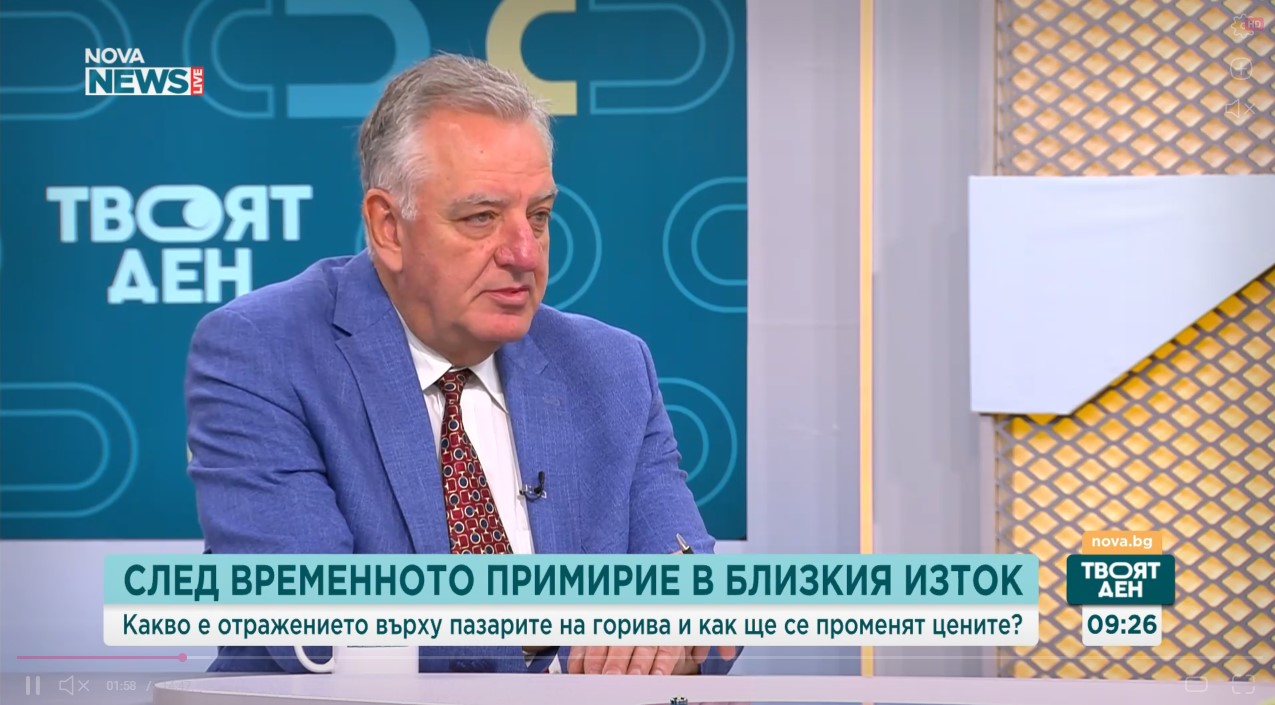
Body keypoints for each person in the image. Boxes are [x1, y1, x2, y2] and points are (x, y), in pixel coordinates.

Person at [184, 52, 739, 676]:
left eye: (539, 215)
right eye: (481, 218)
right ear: (388, 227)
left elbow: (702, 604)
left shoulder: (611, 368)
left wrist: (673, 627)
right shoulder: (263, 351)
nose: (524, 253)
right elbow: (317, 630)